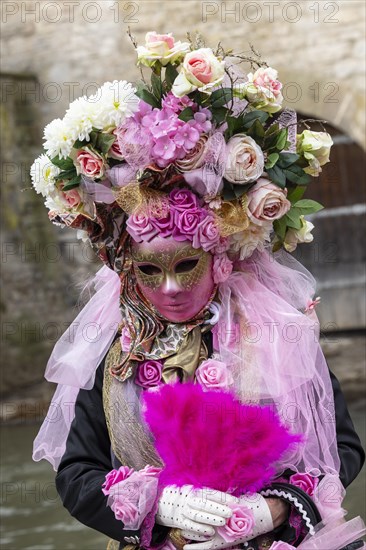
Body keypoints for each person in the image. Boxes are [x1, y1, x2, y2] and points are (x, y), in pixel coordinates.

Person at [31, 30, 365, 550]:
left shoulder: (276, 333)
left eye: (185, 265)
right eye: (148, 272)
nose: (168, 288)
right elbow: (77, 472)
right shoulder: (112, 352)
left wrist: (272, 509)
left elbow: (339, 446)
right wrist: (155, 504)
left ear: (221, 261)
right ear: (126, 271)